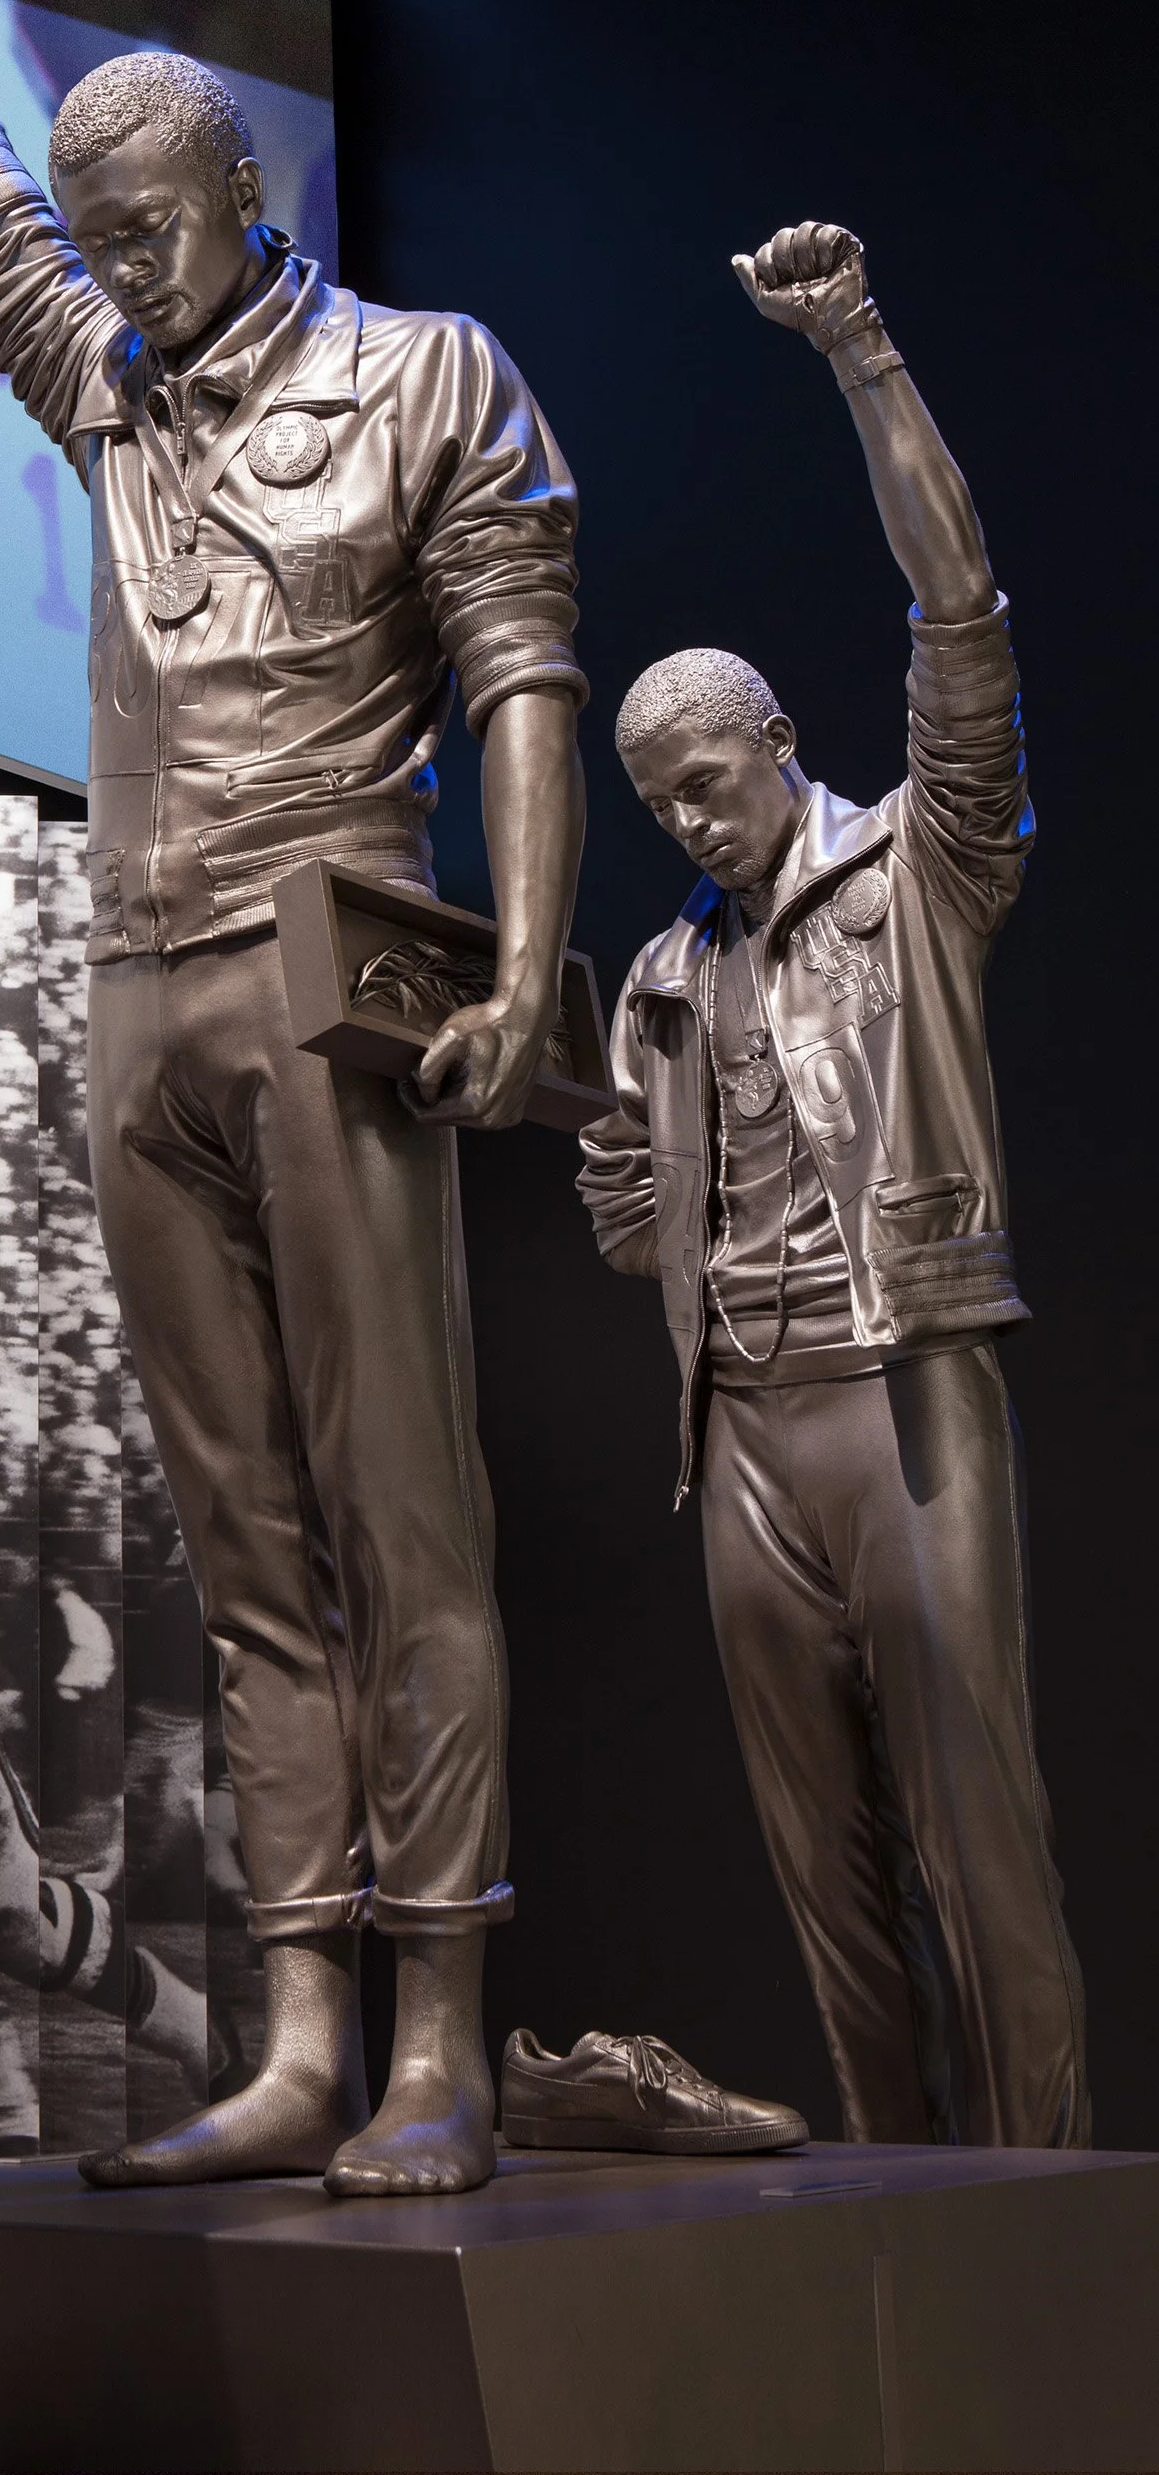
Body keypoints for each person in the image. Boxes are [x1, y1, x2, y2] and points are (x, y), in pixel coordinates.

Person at [0, 0, 589, 2200]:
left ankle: (445, 2018)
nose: (106, 270)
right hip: (139, 988)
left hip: (342, 971)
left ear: (247, 197)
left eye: (143, 231)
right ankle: (307, 2021)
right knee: (241, 1532)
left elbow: (529, 681)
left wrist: (535, 961)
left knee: (401, 1516)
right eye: (89, 237)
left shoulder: (435, 376)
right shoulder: (110, 394)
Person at [579, 221, 1087, 2150]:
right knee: (831, 1887)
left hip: (903, 1393)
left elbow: (961, 617)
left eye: (711, 779)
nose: (692, 821)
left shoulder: (920, 874)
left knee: (983, 1848)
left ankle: (1045, 2228)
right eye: (662, 804)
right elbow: (648, 1238)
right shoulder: (657, 979)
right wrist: (633, 1206)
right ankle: (888, 2197)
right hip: (743, 1437)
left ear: (780, 745)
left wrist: (861, 345)